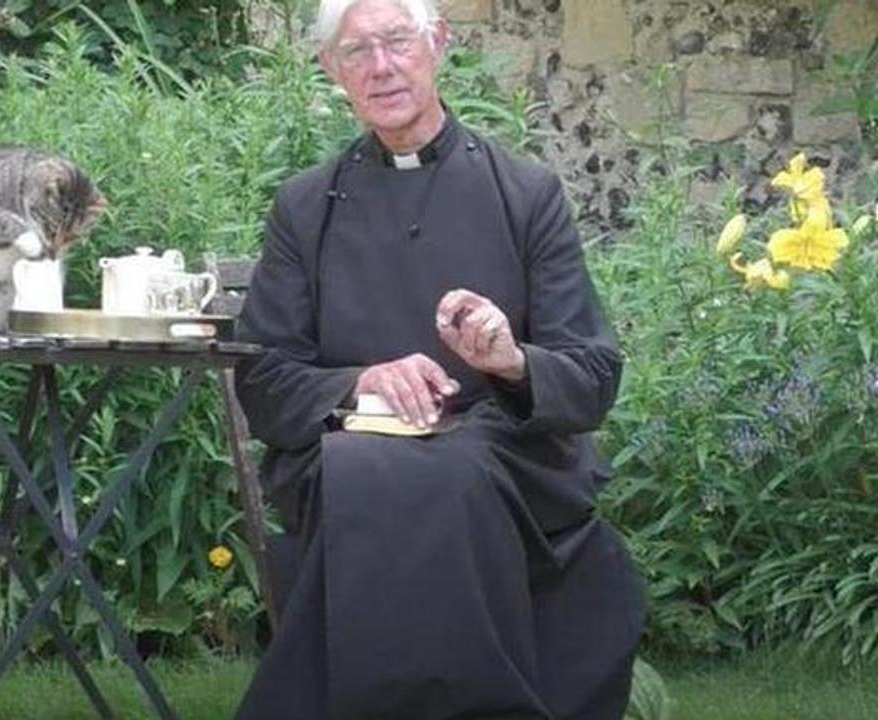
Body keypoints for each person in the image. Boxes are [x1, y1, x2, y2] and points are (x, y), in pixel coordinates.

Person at [233, 0, 644, 717]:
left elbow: (593, 375)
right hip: (349, 441)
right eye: (358, 51)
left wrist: (512, 361)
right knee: (374, 470)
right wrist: (361, 381)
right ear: (333, 71)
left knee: (451, 473)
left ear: (437, 45)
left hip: (505, 452)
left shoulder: (525, 195)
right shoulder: (304, 208)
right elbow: (264, 376)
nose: (382, 66)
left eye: (397, 41)